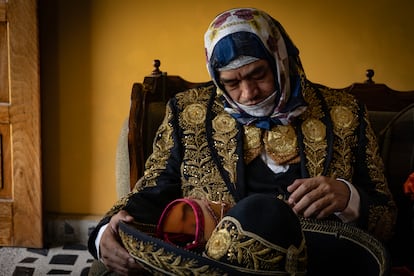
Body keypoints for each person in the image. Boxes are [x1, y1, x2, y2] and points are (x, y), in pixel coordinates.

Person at [88, 7, 397, 275]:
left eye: (258, 74)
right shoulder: (188, 114)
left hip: (314, 265)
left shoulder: (345, 113)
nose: (249, 93)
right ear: (216, 77)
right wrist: (104, 234)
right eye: (232, 82)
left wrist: (348, 197)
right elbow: (152, 191)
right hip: (213, 266)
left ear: (280, 60)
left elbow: (388, 216)